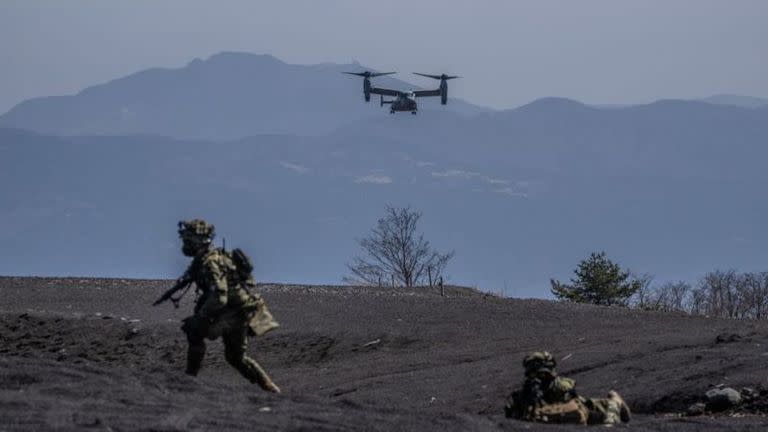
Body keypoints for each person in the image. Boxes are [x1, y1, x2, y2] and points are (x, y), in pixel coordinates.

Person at [174, 219, 281, 393]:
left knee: (194, 330)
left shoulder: (210, 263)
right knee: (235, 357)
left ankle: (188, 381)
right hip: (239, 309)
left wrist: (201, 316)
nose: (185, 243)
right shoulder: (210, 258)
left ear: (198, 240)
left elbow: (220, 296)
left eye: (188, 239)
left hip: (232, 312)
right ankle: (271, 390)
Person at [504, 351, 630, 425]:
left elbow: (577, 412)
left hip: (583, 410)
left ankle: (615, 402)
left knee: (607, 418)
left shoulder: (561, 387)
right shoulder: (526, 391)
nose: (539, 377)